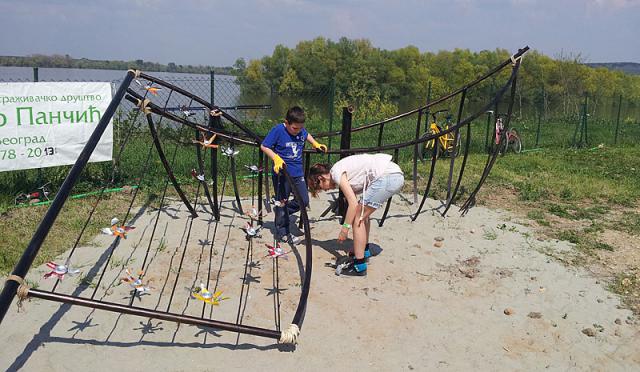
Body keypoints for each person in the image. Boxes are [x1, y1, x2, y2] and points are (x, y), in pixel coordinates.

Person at [307, 153, 404, 276]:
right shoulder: (340, 172)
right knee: (363, 214)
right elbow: (354, 203)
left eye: (321, 187)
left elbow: (352, 205)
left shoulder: (336, 173)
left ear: (321, 178)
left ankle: (359, 265)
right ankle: (364, 250)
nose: (326, 190)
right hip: (393, 174)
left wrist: (345, 228)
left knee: (358, 218)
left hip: (387, 176)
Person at [260, 106, 327, 244]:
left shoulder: (300, 130)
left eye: (300, 128)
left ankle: (281, 212)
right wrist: (276, 158)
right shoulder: (278, 130)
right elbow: (264, 146)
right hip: (282, 174)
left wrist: (315, 143)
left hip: (297, 173)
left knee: (303, 201)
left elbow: (306, 134)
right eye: (295, 128)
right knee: (282, 201)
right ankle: (283, 232)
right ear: (286, 123)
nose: (298, 131)